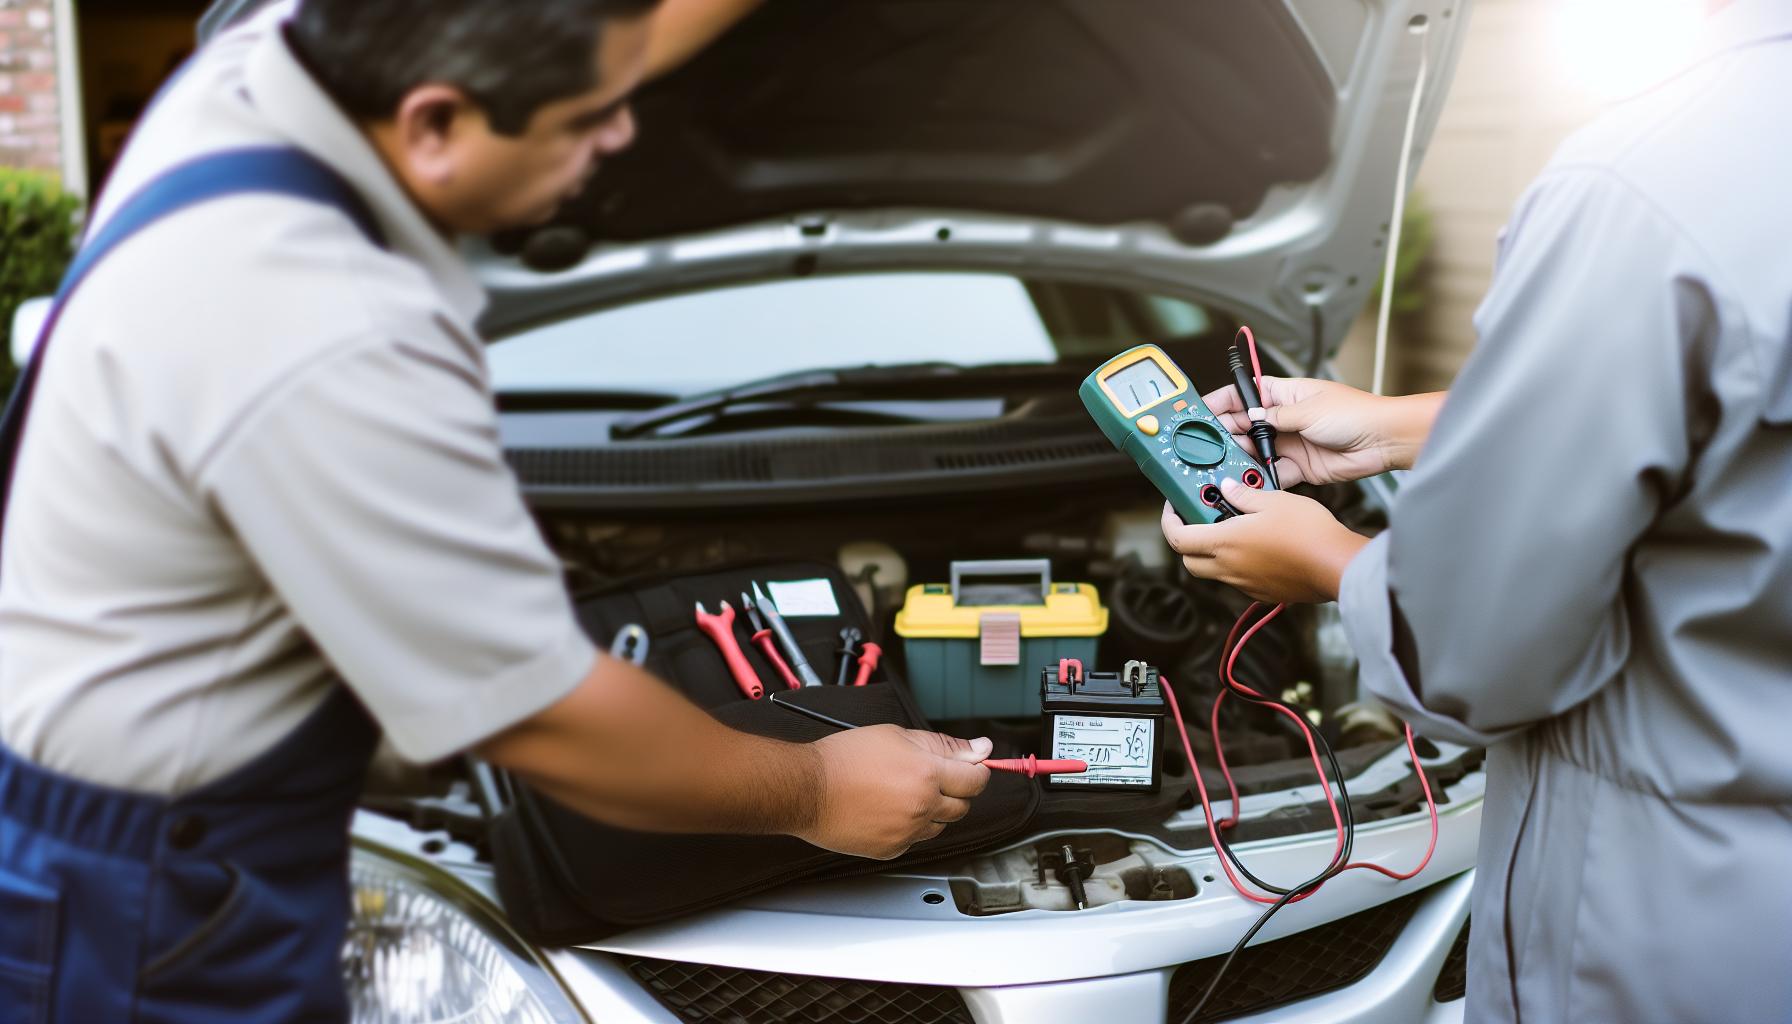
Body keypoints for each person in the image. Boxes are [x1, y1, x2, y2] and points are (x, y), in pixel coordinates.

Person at [0, 2, 990, 1020]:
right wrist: (817, 788)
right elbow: (549, 717)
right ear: (434, 125)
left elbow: (624, 26)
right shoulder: (325, 332)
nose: (622, 134)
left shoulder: (281, 60)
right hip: (153, 896)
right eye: (585, 118)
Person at [1163, 2, 1792, 1021]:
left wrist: (1326, 563)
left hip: (1672, 927)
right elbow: (1733, 426)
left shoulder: (1641, 179)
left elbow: (1475, 652)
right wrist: (1392, 427)